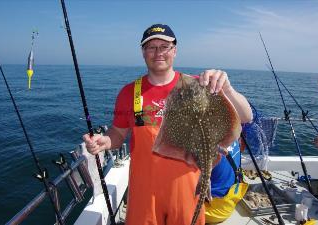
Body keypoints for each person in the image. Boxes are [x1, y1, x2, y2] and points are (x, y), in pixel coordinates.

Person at [83, 23, 253, 225]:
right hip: (144, 193)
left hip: (187, 190)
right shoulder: (129, 93)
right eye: (151, 47)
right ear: (143, 52)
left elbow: (246, 116)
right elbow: (118, 134)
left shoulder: (199, 85)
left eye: (164, 47)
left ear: (175, 50)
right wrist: (106, 141)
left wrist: (228, 89)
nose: (158, 53)